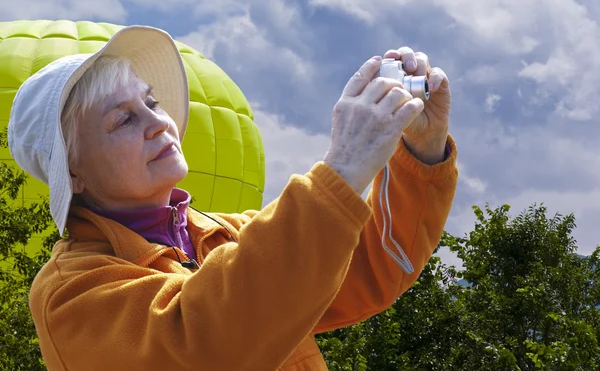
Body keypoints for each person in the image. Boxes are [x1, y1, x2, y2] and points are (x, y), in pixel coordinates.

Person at [7, 25, 458, 370]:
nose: (157, 122)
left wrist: (423, 149)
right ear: (74, 173)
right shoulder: (70, 291)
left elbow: (375, 264)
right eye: (122, 120)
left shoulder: (226, 236)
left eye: (152, 102)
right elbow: (205, 341)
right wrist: (341, 169)